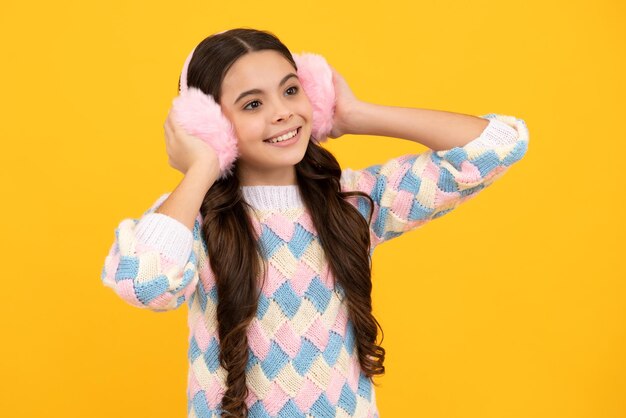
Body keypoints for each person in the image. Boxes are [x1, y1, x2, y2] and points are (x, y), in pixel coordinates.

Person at [100, 28, 529, 418]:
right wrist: (201, 168)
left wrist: (358, 115)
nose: (283, 112)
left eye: (292, 90)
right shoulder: (191, 219)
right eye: (253, 103)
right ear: (209, 126)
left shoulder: (352, 201)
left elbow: (500, 146)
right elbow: (144, 285)